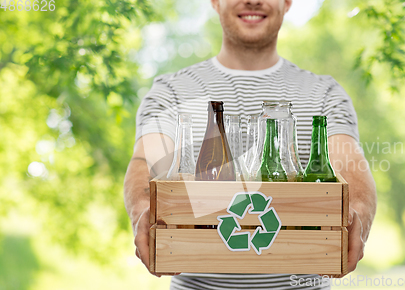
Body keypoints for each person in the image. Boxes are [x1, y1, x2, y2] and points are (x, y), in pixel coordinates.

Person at [124, 0, 377, 289]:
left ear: (287, 3)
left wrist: (356, 216)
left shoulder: (325, 93)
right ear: (215, 2)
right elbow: (146, 162)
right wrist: (144, 210)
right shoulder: (171, 91)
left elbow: (348, 165)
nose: (253, 0)